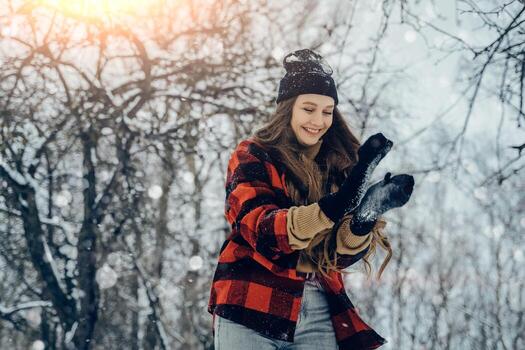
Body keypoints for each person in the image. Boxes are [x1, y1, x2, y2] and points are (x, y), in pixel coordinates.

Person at [207, 48, 415, 350]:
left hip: (318, 304)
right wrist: (333, 205)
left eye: (327, 111)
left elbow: (336, 257)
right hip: (251, 300)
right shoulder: (252, 155)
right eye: (308, 109)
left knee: (355, 225)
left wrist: (360, 223)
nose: (318, 120)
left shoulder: (338, 164)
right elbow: (263, 232)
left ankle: (364, 216)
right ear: (288, 109)